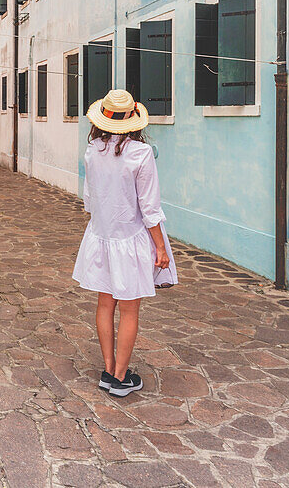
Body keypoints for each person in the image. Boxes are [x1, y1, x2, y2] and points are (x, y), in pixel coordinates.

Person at [72, 89, 177, 398]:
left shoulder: (93, 151)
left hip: (102, 237)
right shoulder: (141, 154)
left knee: (105, 305)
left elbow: (89, 201)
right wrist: (160, 247)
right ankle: (120, 378)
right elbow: (150, 209)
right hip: (130, 242)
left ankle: (108, 370)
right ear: (133, 119)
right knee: (129, 310)